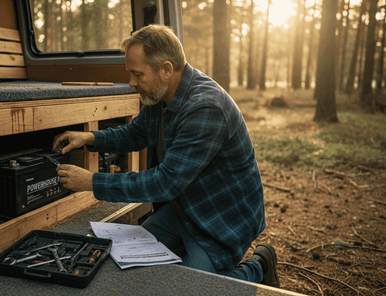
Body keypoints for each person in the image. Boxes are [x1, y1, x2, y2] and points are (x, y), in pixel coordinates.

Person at [53, 24, 279, 287]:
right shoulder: (159, 95)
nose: (131, 82)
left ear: (166, 69)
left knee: (185, 288)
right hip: (184, 207)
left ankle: (259, 266)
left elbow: (164, 182)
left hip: (220, 218)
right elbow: (136, 134)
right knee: (120, 261)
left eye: (138, 74)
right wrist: (91, 138)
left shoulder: (206, 107)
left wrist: (92, 182)